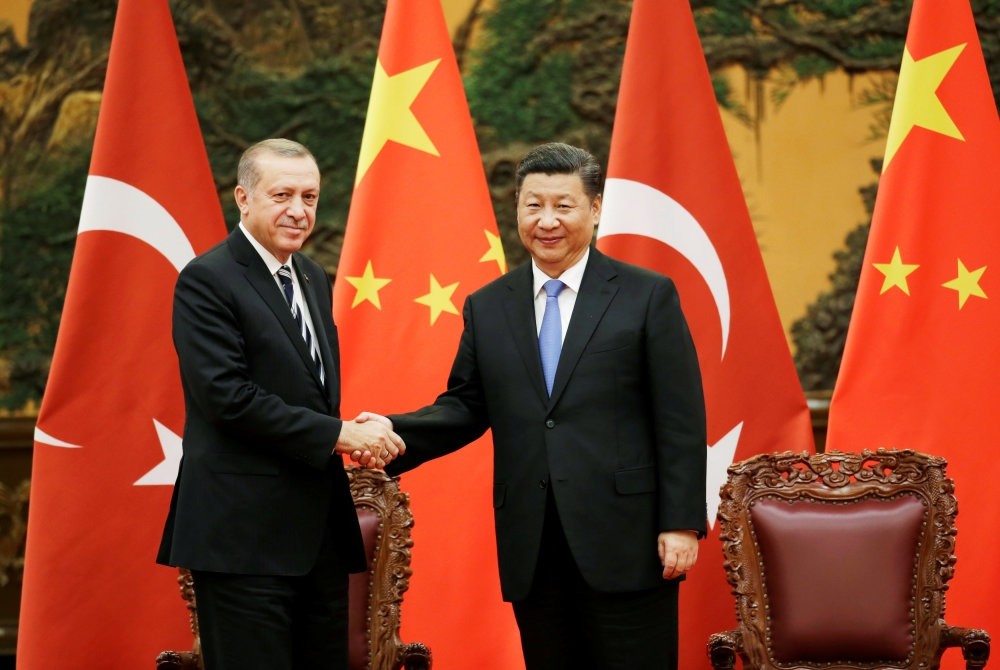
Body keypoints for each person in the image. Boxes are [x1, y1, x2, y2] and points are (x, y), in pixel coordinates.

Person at [372, 142, 706, 669]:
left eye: (563, 206)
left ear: (595, 209)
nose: (547, 221)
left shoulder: (646, 295)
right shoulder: (489, 306)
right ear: (518, 211)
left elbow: (680, 418)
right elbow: (464, 407)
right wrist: (389, 433)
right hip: (533, 543)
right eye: (534, 206)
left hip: (629, 538)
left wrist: (681, 522)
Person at [157, 138, 404, 670]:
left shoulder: (311, 276)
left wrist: (347, 433)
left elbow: (307, 391)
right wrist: (339, 434)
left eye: (309, 197)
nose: (298, 210)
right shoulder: (207, 279)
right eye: (282, 195)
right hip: (243, 538)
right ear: (243, 198)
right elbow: (226, 397)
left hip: (317, 536)